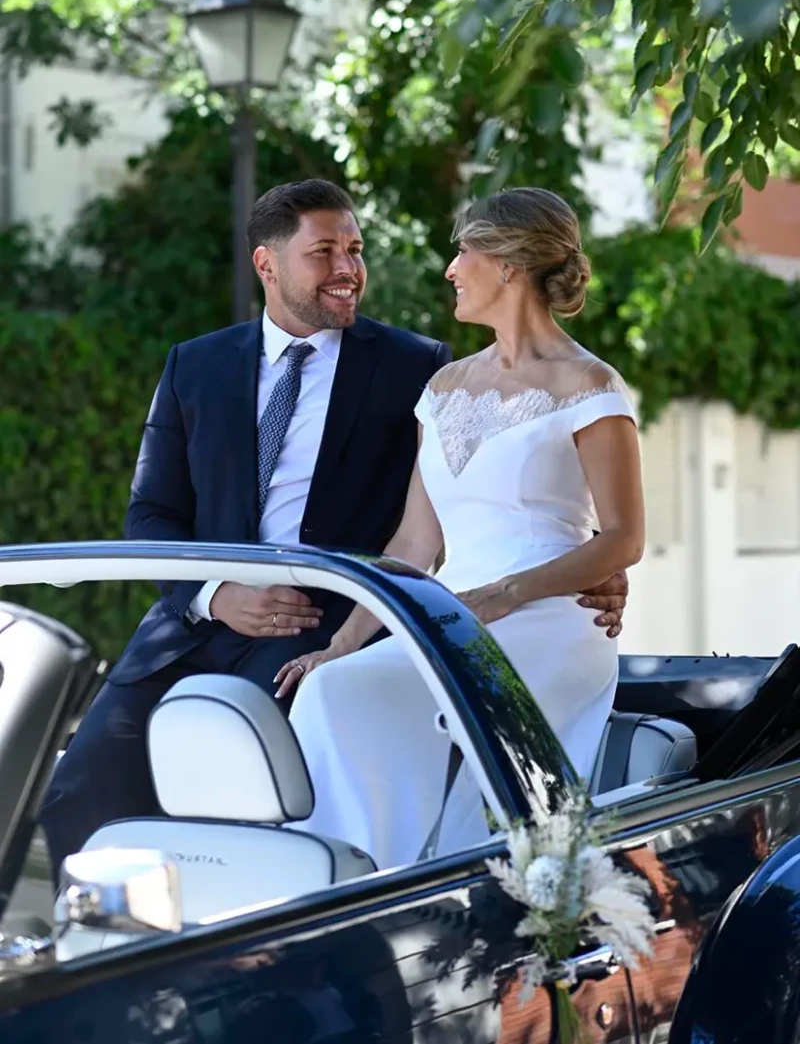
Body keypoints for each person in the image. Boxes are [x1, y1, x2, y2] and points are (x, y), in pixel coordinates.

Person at [39, 179, 626, 882]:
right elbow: (150, 515)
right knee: (76, 791)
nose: (349, 268)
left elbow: (499, 495)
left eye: (355, 249)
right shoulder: (194, 365)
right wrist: (215, 593)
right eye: (325, 252)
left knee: (241, 792)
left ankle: (300, 928)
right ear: (268, 264)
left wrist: (583, 564)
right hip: (191, 626)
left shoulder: (418, 365)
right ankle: (100, 965)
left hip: (319, 619)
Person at [276, 186, 645, 871]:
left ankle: (460, 888)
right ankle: (349, 883)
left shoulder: (591, 384)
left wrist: (504, 595)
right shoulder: (444, 388)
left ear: (508, 263)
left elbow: (623, 538)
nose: (452, 267)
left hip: (551, 618)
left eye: (464, 249)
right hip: (455, 615)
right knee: (336, 689)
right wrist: (341, 642)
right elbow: (414, 546)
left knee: (470, 732)